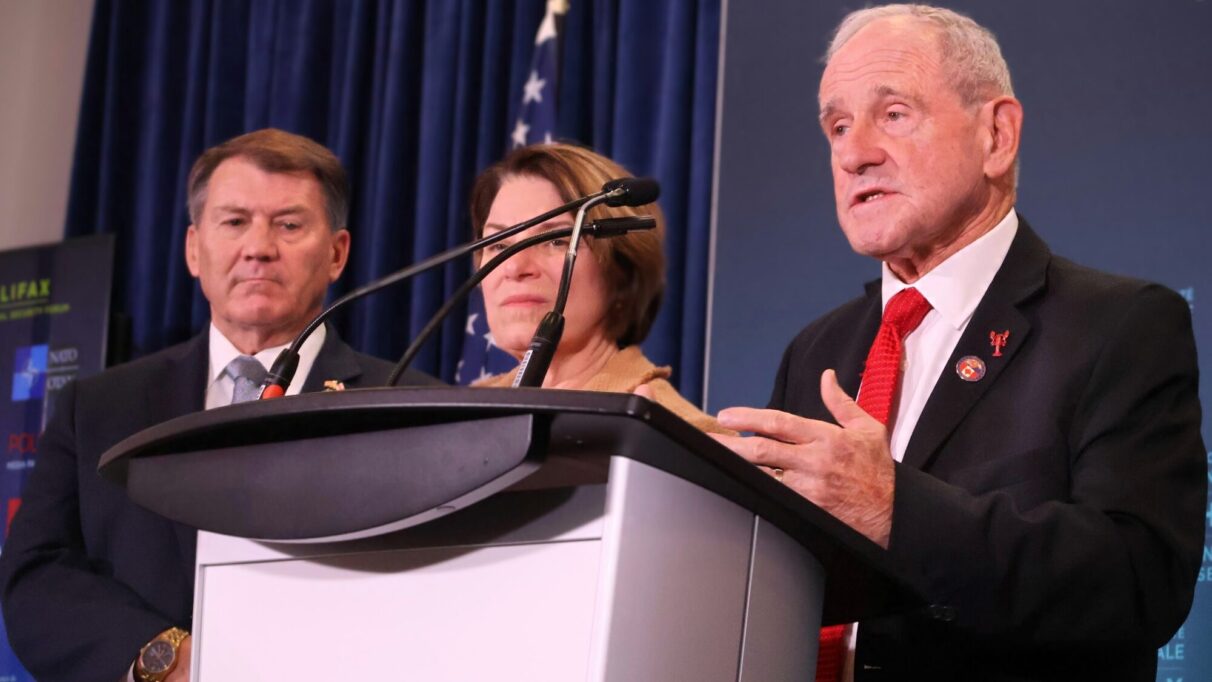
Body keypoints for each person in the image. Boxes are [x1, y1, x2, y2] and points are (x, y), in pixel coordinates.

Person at [713, 5, 1205, 681]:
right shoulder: (816, 350)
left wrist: (895, 510)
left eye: (893, 114)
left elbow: (1139, 582)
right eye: (837, 125)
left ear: (996, 135)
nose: (855, 153)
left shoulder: (1118, 326)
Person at [0, 128, 436, 682]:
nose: (258, 247)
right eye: (234, 222)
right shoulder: (97, 408)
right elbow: (35, 574)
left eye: (289, 224)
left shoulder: (406, 404)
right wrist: (165, 660)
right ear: (193, 250)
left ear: (336, 253)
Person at [469, 143, 726, 434]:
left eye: (556, 241)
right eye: (498, 245)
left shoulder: (692, 439)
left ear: (621, 273)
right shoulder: (461, 414)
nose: (514, 268)